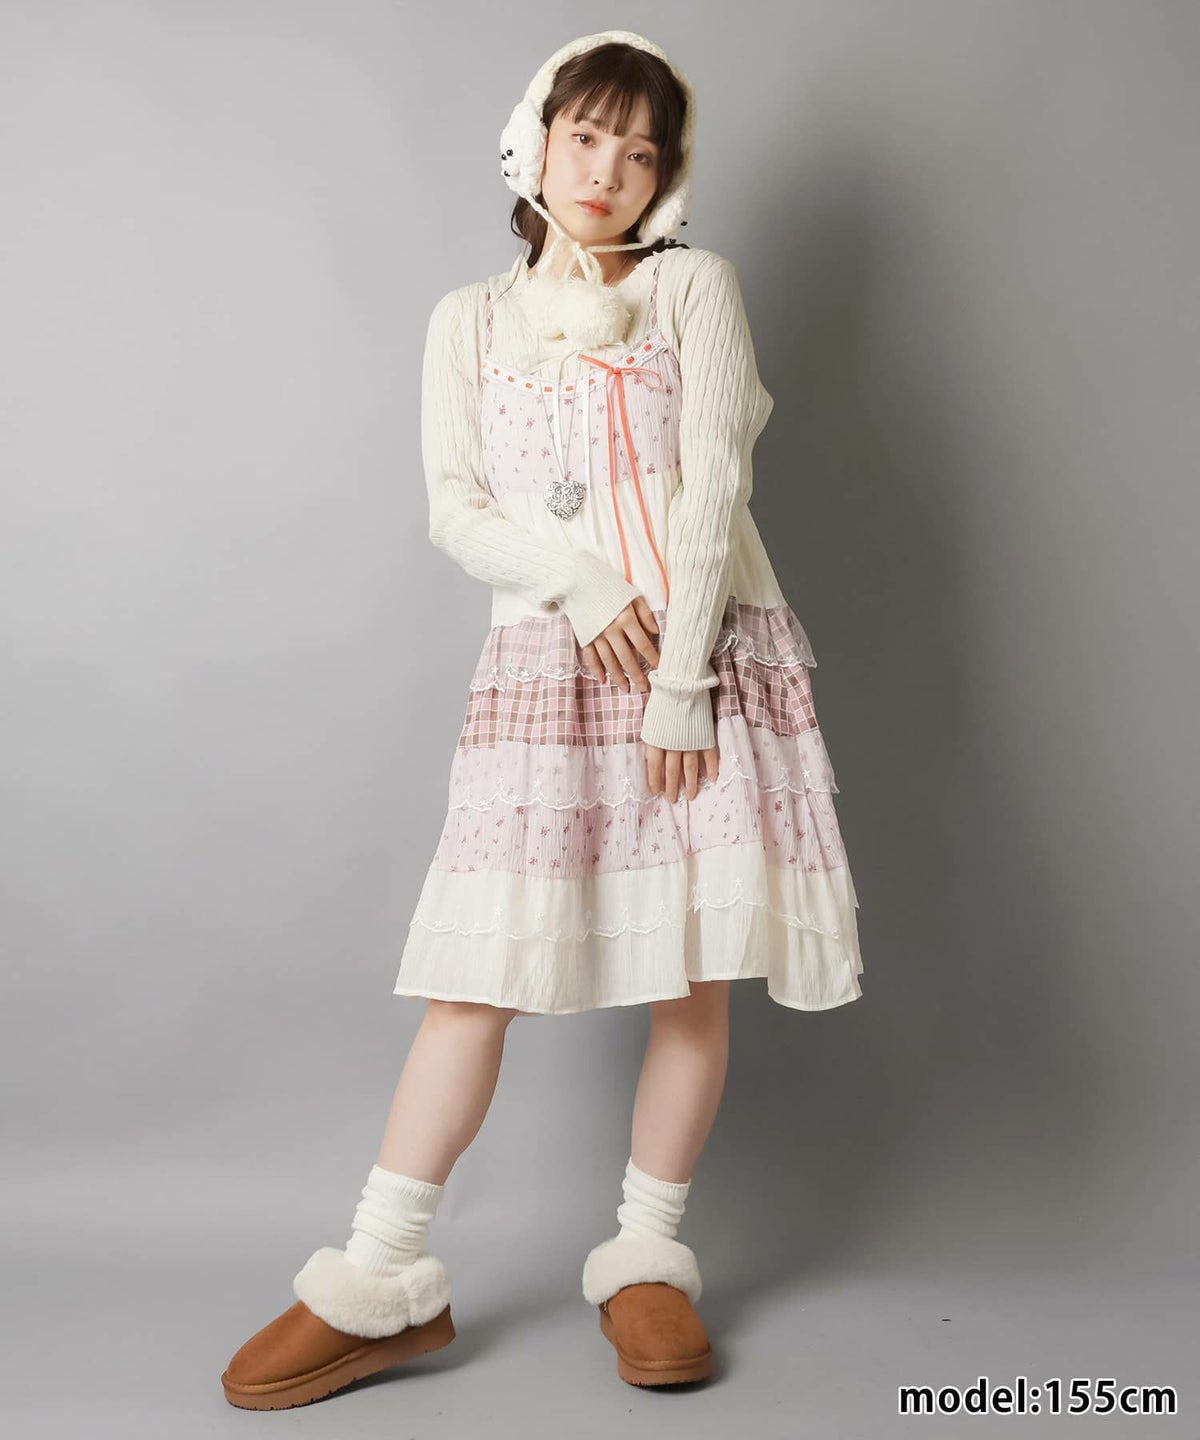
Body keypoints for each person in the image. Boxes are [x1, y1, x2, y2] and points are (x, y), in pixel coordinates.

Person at [221, 29, 864, 1410]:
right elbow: (457, 508)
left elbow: (715, 483)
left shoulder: (693, 288)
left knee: (690, 974)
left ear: (667, 175)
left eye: (641, 151)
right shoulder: (468, 319)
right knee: (476, 979)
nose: (608, 171)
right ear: (537, 136)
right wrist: (582, 587)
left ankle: (645, 1257)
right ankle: (383, 1275)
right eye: (587, 136)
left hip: (699, 656)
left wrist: (682, 679)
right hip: (546, 661)